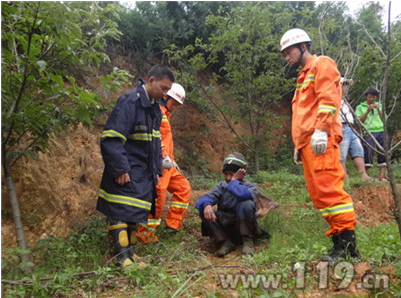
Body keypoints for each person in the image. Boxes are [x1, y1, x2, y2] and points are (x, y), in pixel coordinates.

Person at [279, 28, 359, 261]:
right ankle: (339, 241)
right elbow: (304, 115)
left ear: (303, 46)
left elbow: (328, 99)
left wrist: (322, 131)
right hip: (308, 144)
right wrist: (299, 145)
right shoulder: (303, 76)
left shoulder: (321, 64)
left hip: (320, 140)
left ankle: (348, 248)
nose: (286, 57)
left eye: (288, 51)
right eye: (283, 53)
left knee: (330, 191)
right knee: (319, 195)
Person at [96, 65, 175, 267]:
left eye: (168, 90)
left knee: (132, 214)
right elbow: (111, 138)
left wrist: (156, 169)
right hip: (127, 169)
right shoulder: (130, 101)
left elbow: (155, 143)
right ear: (150, 81)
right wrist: (120, 167)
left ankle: (131, 254)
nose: (165, 93)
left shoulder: (155, 109)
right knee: (121, 212)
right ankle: (122, 258)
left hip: (142, 171)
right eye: (163, 88)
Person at [136, 83, 192, 243]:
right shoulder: (157, 113)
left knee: (184, 188)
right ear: (166, 96)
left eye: (177, 105)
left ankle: (173, 225)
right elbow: (155, 137)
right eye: (174, 102)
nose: (175, 107)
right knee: (158, 197)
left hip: (169, 165)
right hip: (158, 165)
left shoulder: (166, 114)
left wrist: (171, 160)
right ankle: (145, 234)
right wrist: (162, 157)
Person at [195, 152, 259, 257]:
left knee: (246, 204)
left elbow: (244, 195)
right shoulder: (221, 186)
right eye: (226, 174)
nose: (228, 178)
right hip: (225, 223)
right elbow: (205, 198)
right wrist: (207, 204)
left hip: (242, 223)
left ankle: (247, 240)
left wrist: (234, 182)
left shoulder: (251, 187)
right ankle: (225, 241)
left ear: (241, 173)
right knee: (204, 208)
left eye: (232, 174)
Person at [339, 78, 370, 180]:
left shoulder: (344, 99)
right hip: (341, 126)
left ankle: (363, 175)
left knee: (358, 149)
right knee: (342, 152)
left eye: (346, 84)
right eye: (344, 84)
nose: (346, 86)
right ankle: (344, 176)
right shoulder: (333, 98)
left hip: (350, 127)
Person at [356, 87, 388, 181]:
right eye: (370, 97)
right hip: (368, 131)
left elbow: (385, 119)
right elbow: (359, 121)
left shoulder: (380, 105)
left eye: (374, 97)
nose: (372, 99)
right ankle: (366, 175)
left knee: (383, 151)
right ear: (366, 97)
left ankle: (382, 176)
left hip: (381, 131)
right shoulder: (360, 107)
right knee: (368, 151)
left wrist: (378, 110)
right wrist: (367, 111)